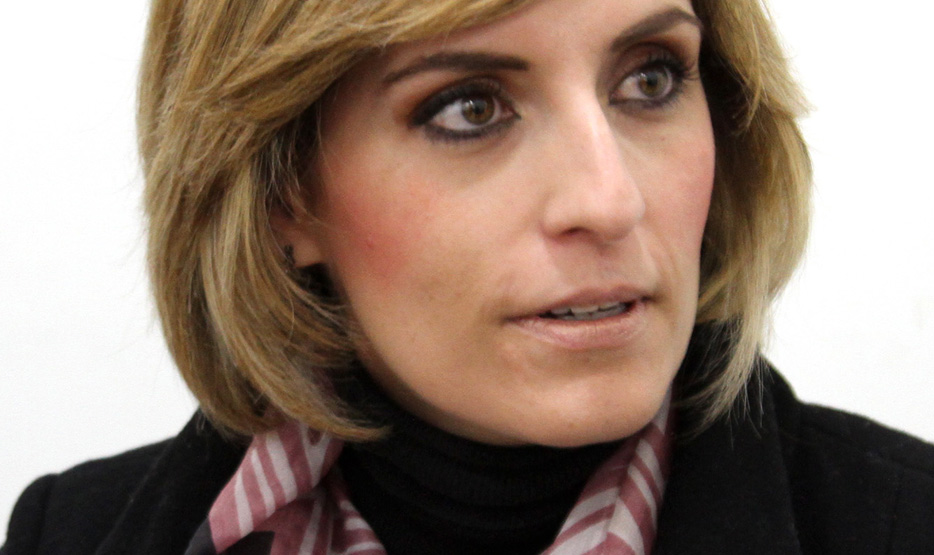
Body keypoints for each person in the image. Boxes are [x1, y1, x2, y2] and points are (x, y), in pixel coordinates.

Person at [3, 0, 933, 553]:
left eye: (650, 79)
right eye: (471, 108)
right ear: (284, 192)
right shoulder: (67, 534)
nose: (610, 199)